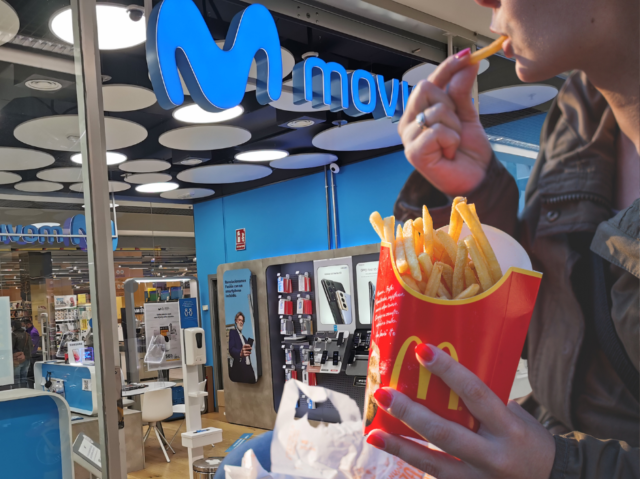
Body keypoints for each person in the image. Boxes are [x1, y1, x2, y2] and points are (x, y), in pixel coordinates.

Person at [365, 0, 639, 478]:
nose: (483, 1)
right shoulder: (575, 116)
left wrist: (558, 467)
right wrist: (472, 189)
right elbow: (556, 332)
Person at [228, 312, 255, 383]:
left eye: (242, 321)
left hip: (248, 368)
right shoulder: (233, 333)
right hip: (240, 369)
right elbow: (231, 348)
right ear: (236, 321)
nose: (241, 322)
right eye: (239, 320)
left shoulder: (244, 338)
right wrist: (240, 353)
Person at [11, 321, 32, 389]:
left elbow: (11, 347)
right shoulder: (27, 334)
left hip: (17, 359)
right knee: (24, 378)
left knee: (16, 378)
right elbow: (31, 346)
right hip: (26, 358)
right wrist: (26, 356)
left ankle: (18, 393)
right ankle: (25, 391)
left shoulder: (13, 335)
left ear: (13, 327)